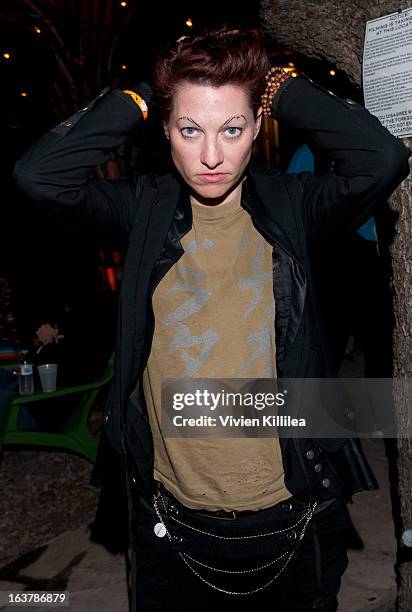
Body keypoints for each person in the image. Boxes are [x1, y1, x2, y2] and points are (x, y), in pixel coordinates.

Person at [13, 25, 410, 612]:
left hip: (294, 515)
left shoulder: (293, 206)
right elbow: (38, 176)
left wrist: (281, 89)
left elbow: (383, 157)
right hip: (168, 525)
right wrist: (148, 93)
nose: (211, 156)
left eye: (232, 128)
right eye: (190, 129)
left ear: (256, 128)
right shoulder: (141, 210)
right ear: (166, 132)